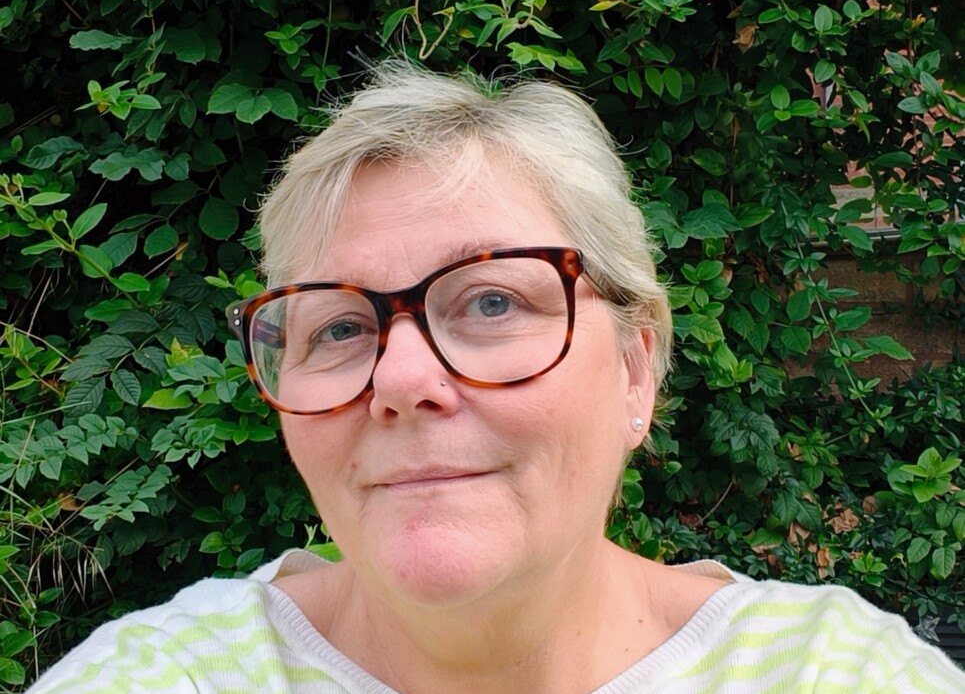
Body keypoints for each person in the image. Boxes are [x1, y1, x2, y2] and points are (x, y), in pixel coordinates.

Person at [29, 62, 964, 694]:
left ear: (637, 368)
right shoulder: (169, 676)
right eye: (342, 326)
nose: (398, 377)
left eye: (489, 303)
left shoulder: (827, 674)